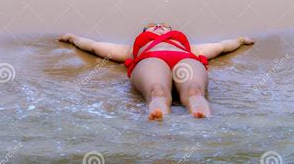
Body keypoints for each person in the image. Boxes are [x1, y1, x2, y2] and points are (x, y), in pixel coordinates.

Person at [58, 23, 254, 120]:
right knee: (157, 91)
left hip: (184, 59)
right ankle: (159, 116)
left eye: (163, 25)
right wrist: (74, 38)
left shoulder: (189, 47)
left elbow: (219, 47)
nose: (159, 26)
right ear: (145, 32)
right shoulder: (132, 50)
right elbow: (95, 47)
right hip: (150, 60)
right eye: (152, 26)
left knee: (195, 90)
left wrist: (239, 41)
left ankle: (200, 115)